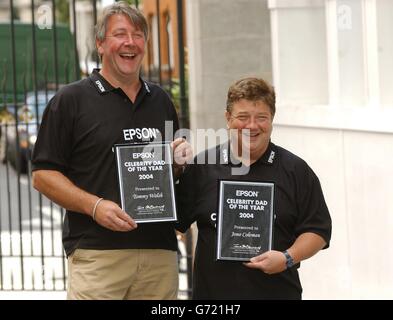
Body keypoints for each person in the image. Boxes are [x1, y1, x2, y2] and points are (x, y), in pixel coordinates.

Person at [31, 2, 191, 300]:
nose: (130, 42)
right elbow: (42, 175)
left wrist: (177, 163)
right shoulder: (71, 100)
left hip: (159, 255)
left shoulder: (161, 100)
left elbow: (164, 174)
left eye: (138, 34)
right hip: (98, 255)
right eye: (120, 34)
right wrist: (95, 206)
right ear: (101, 44)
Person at [176, 77, 332, 299]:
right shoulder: (203, 167)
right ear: (228, 118)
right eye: (242, 117)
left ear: (272, 120)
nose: (251, 126)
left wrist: (287, 257)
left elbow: (318, 230)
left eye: (261, 117)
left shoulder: (296, 170)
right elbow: (175, 223)